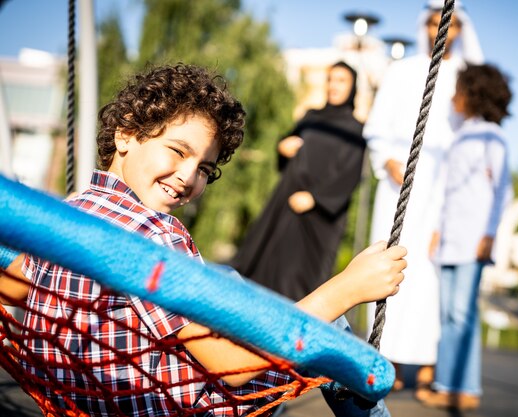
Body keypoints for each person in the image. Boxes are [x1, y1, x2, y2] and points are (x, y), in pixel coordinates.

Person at [0, 64, 407, 417]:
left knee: (226, 278)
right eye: (178, 151)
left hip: (84, 400)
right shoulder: (154, 234)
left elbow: (19, 286)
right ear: (125, 134)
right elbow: (235, 365)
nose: (187, 177)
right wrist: (348, 287)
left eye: (204, 170)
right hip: (178, 405)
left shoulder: (65, 215)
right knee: (330, 328)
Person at [363, 0, 483, 400]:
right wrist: (388, 160)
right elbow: (377, 128)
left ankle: (432, 367)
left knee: (432, 279)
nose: (439, 30)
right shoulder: (402, 70)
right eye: (432, 23)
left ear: (461, 30)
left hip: (444, 192)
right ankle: (388, 363)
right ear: (425, 27)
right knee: (392, 263)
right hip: (399, 182)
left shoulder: (468, 79)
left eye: (445, 24)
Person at [230, 61, 366, 302]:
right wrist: (283, 147)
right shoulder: (311, 117)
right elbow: (288, 141)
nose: (334, 86)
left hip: (318, 216)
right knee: (265, 263)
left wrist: (315, 199)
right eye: (331, 79)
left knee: (295, 278)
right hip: (286, 201)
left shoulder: (355, 130)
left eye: (341, 80)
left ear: (353, 87)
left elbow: (350, 174)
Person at [423, 63, 513, 411]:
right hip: (450, 239)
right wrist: (437, 229)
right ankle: (447, 383)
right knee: (447, 314)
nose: (452, 97)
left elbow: (502, 189)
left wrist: (490, 234)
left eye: (458, 89)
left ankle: (468, 387)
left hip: (474, 239)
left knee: (462, 313)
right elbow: (450, 191)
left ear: (474, 94)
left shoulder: (492, 136)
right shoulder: (460, 136)